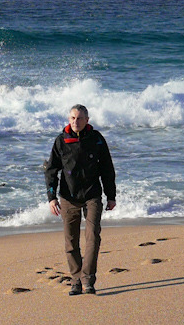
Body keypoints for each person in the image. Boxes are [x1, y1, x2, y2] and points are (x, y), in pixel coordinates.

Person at [44, 104, 116, 296]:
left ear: (87, 120)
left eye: (79, 118)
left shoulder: (97, 139)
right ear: (69, 120)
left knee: (93, 236)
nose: (76, 122)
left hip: (92, 195)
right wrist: (51, 198)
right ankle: (76, 280)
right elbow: (51, 171)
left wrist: (111, 196)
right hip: (69, 197)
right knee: (71, 241)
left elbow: (107, 168)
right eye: (72, 118)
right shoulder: (61, 141)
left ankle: (88, 279)